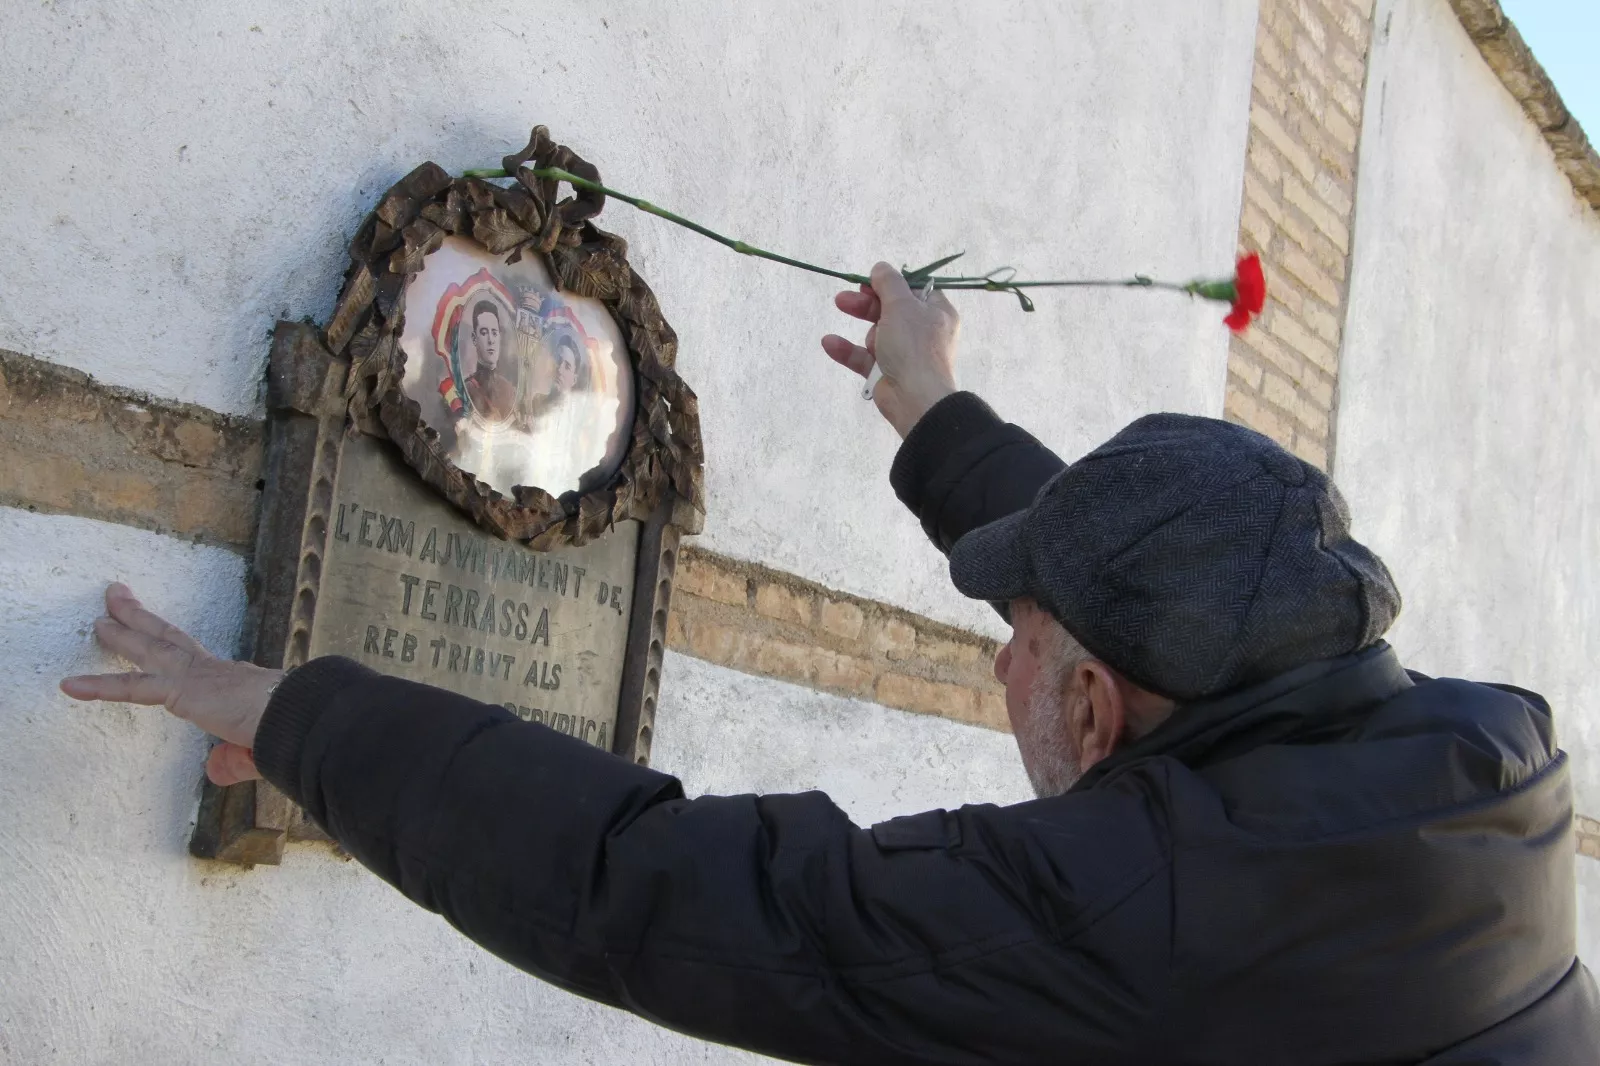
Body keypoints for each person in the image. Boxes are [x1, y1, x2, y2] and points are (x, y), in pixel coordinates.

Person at [62, 263, 1598, 1062]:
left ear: (1090, 703)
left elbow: (653, 885)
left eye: (1020, 640)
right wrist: (931, 408)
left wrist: (299, 709)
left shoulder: (1139, 907)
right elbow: (1156, 574)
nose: (1007, 661)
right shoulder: (1468, 766)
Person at [462, 299, 516, 423]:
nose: (491, 340)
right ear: (474, 339)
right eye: (484, 332)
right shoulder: (467, 388)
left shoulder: (509, 390)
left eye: (494, 332)